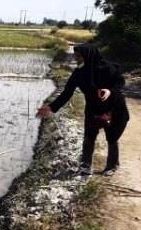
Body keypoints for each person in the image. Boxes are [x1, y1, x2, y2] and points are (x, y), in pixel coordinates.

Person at [37, 43, 130, 177]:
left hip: (114, 107)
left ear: (89, 56)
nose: (77, 59)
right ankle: (85, 166)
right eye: (76, 56)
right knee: (89, 136)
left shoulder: (108, 68)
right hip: (93, 107)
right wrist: (51, 107)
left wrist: (109, 91)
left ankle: (112, 165)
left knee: (112, 137)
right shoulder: (79, 73)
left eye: (79, 56)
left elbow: (120, 82)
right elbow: (67, 93)